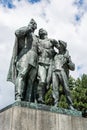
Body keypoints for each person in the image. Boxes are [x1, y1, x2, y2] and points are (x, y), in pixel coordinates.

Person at [7, 19, 38, 102]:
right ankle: (18, 96)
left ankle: (28, 99)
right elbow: (17, 32)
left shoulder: (36, 37)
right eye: (32, 23)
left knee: (31, 80)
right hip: (25, 55)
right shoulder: (26, 31)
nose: (33, 24)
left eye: (34, 24)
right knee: (22, 75)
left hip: (35, 59)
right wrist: (28, 27)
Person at [37, 28, 58, 103]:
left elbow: (61, 49)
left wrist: (56, 44)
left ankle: (41, 97)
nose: (41, 31)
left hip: (50, 64)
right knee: (42, 81)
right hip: (41, 63)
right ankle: (40, 98)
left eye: (43, 30)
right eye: (40, 31)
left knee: (47, 84)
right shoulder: (38, 41)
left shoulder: (51, 41)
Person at [52, 40, 75, 109]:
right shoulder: (55, 55)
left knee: (66, 88)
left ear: (63, 46)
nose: (58, 46)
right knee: (55, 88)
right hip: (55, 72)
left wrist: (68, 61)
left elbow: (73, 67)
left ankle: (70, 105)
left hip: (62, 72)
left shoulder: (67, 56)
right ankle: (55, 103)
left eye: (60, 44)